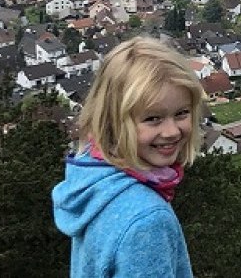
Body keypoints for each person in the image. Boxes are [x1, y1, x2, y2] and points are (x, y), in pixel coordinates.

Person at [53, 36, 204, 277]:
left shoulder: (93, 179)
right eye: (152, 118)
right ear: (112, 121)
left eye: (182, 113)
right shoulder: (147, 221)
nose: (172, 131)